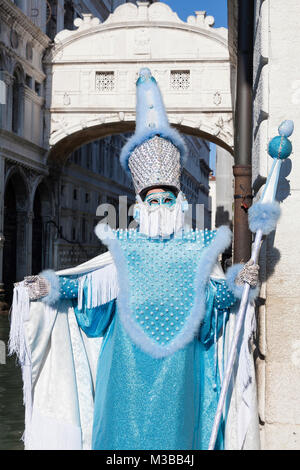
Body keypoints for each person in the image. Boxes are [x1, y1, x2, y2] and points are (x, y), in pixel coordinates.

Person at [10, 68, 260, 450]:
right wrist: (49, 285)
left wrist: (238, 282)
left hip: (181, 370)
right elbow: (90, 287)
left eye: (168, 199)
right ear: (140, 206)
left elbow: (214, 302)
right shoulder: (124, 248)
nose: (161, 206)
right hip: (125, 369)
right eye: (153, 200)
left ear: (179, 203)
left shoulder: (197, 249)